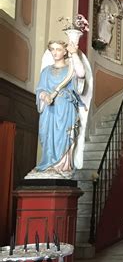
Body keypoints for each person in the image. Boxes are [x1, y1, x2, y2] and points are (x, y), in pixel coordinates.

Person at [33, 40, 88, 177]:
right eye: (52, 49)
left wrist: (74, 53)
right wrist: (44, 95)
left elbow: (81, 74)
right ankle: (48, 164)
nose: (55, 52)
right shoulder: (46, 71)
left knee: (62, 136)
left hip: (65, 108)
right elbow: (40, 89)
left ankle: (62, 166)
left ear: (65, 52)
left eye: (58, 49)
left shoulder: (70, 69)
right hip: (49, 110)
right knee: (46, 135)